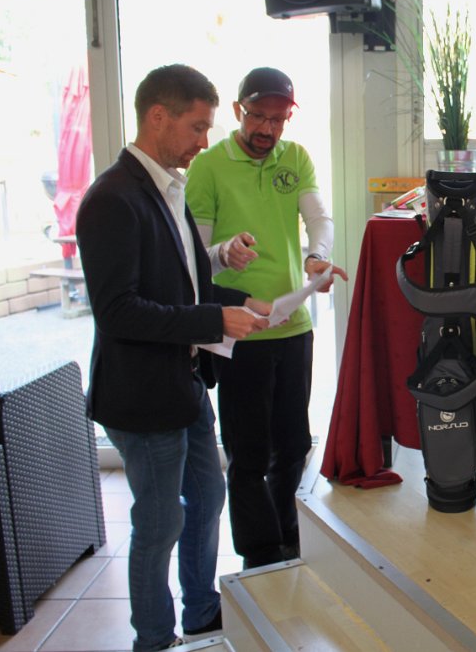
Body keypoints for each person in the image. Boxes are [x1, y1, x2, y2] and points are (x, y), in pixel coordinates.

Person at [75, 64, 271, 652]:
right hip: (140, 394)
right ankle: (154, 640)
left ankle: (202, 613)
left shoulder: (167, 188)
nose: (204, 141)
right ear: (157, 117)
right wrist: (214, 321)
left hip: (183, 383)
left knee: (208, 498)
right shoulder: (111, 199)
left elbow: (181, 281)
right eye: (197, 126)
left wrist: (238, 300)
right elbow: (119, 312)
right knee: (160, 524)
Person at [186, 67, 347, 569]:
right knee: (249, 452)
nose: (268, 129)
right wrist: (224, 251)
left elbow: (319, 217)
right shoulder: (209, 166)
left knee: (294, 444)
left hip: (293, 327)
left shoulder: (294, 157)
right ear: (239, 111)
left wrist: (317, 257)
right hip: (240, 330)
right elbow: (193, 258)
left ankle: (288, 536)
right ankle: (259, 553)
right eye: (258, 117)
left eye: (278, 120)